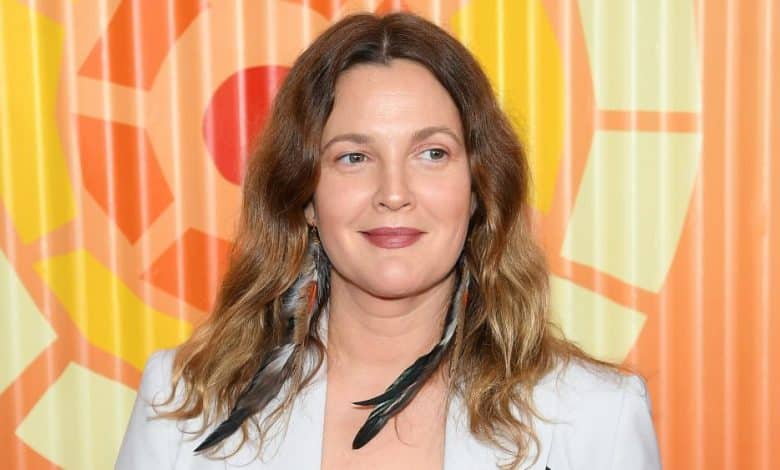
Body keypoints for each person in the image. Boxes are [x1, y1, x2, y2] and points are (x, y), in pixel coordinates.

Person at [116, 11, 661, 470]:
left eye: (432, 153)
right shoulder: (184, 405)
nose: (394, 192)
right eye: (354, 157)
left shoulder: (596, 417)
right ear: (305, 196)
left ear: (478, 188)